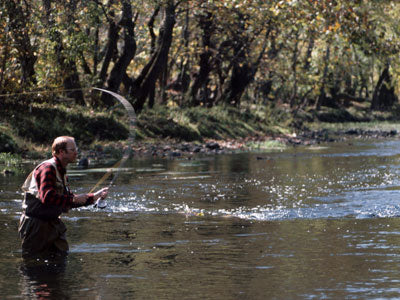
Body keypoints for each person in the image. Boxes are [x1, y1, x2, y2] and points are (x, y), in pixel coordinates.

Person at [18, 136, 108, 255]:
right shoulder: (48, 168)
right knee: (34, 265)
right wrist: (73, 199)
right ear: (61, 152)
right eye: (73, 150)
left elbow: (67, 201)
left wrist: (95, 197)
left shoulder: (61, 171)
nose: (76, 153)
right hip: (36, 225)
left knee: (60, 260)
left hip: (52, 224)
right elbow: (47, 197)